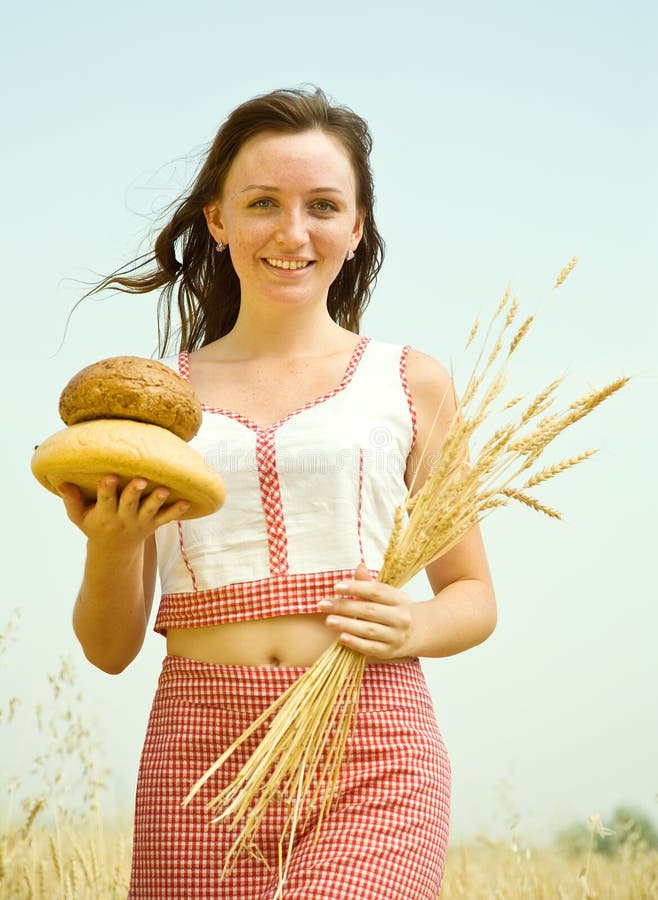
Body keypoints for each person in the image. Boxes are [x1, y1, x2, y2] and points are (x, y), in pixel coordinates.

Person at [60, 87, 496, 899]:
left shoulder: (410, 383)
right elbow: (109, 648)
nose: (293, 232)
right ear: (217, 220)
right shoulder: (159, 401)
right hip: (199, 754)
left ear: (357, 226)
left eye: (323, 206)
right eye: (263, 203)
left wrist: (417, 624)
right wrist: (111, 540)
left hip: (369, 737)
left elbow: (472, 594)